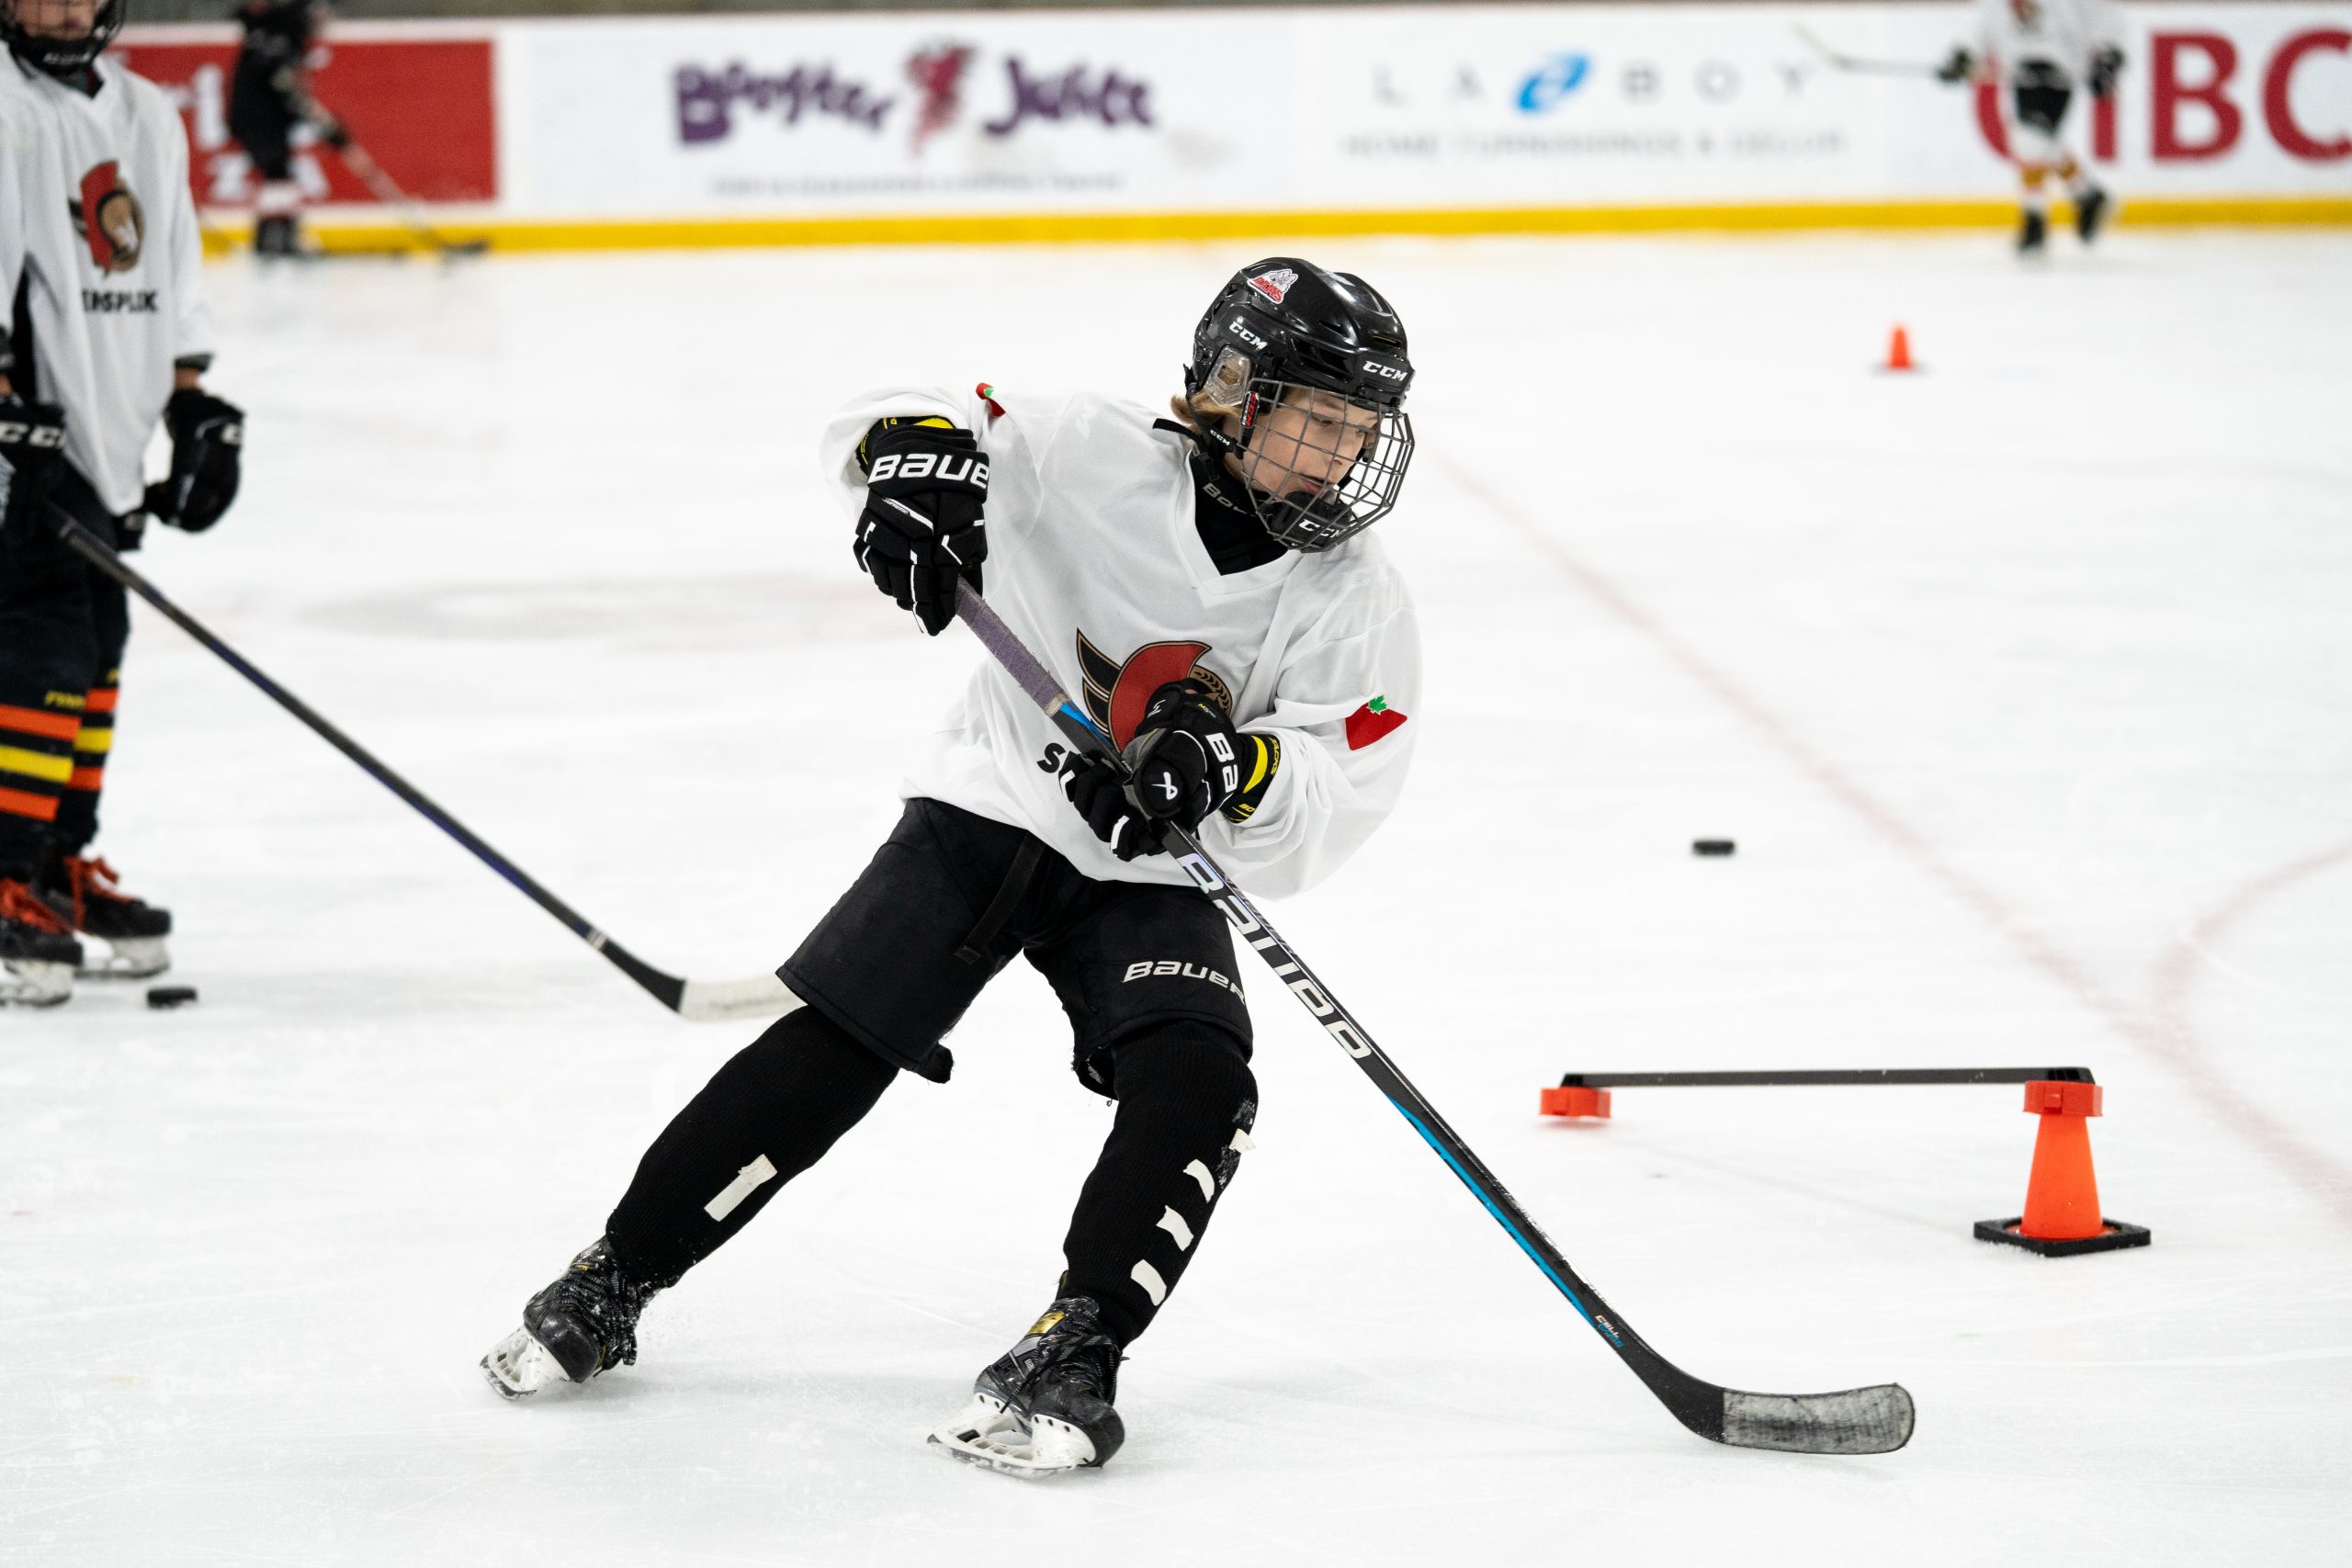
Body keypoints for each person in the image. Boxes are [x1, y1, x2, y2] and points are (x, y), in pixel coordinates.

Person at [479, 258, 1423, 1475]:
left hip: (1148, 872)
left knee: (1200, 1079)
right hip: (999, 799)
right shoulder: (1090, 450)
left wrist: (1224, 772)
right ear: (1235, 388)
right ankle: (616, 1274)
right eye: (1322, 420)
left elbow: (1339, 779)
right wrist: (915, 477)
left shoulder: (1353, 593)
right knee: (837, 1040)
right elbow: (910, 412)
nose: (1344, 458)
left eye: (1362, 431)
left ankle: (1075, 1346)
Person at [1, 0, 243, 1006]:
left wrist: (196, 409)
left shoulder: (146, 111)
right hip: (26, 445)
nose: (58, 10)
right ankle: (6, 869)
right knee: (42, 644)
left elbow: (174, 270)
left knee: (98, 639)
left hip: (103, 445)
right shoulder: (7, 107)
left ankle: (54, 860)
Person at [1940, 0, 2126, 253]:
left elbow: (2102, 12)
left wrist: (2109, 56)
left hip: (2061, 71)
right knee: (2033, 141)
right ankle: (2086, 196)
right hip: (2020, 72)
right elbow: (1982, 27)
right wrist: (1963, 56)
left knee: (2029, 141)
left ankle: (2036, 219)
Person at [229, 0, 340, 256]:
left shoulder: (282, 35)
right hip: (257, 118)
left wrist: (323, 124)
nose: (324, 23)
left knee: (278, 173)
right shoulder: (282, 36)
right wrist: (323, 124)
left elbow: (290, 90)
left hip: (262, 117)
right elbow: (288, 88)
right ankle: (277, 240)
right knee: (277, 172)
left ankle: (272, 238)